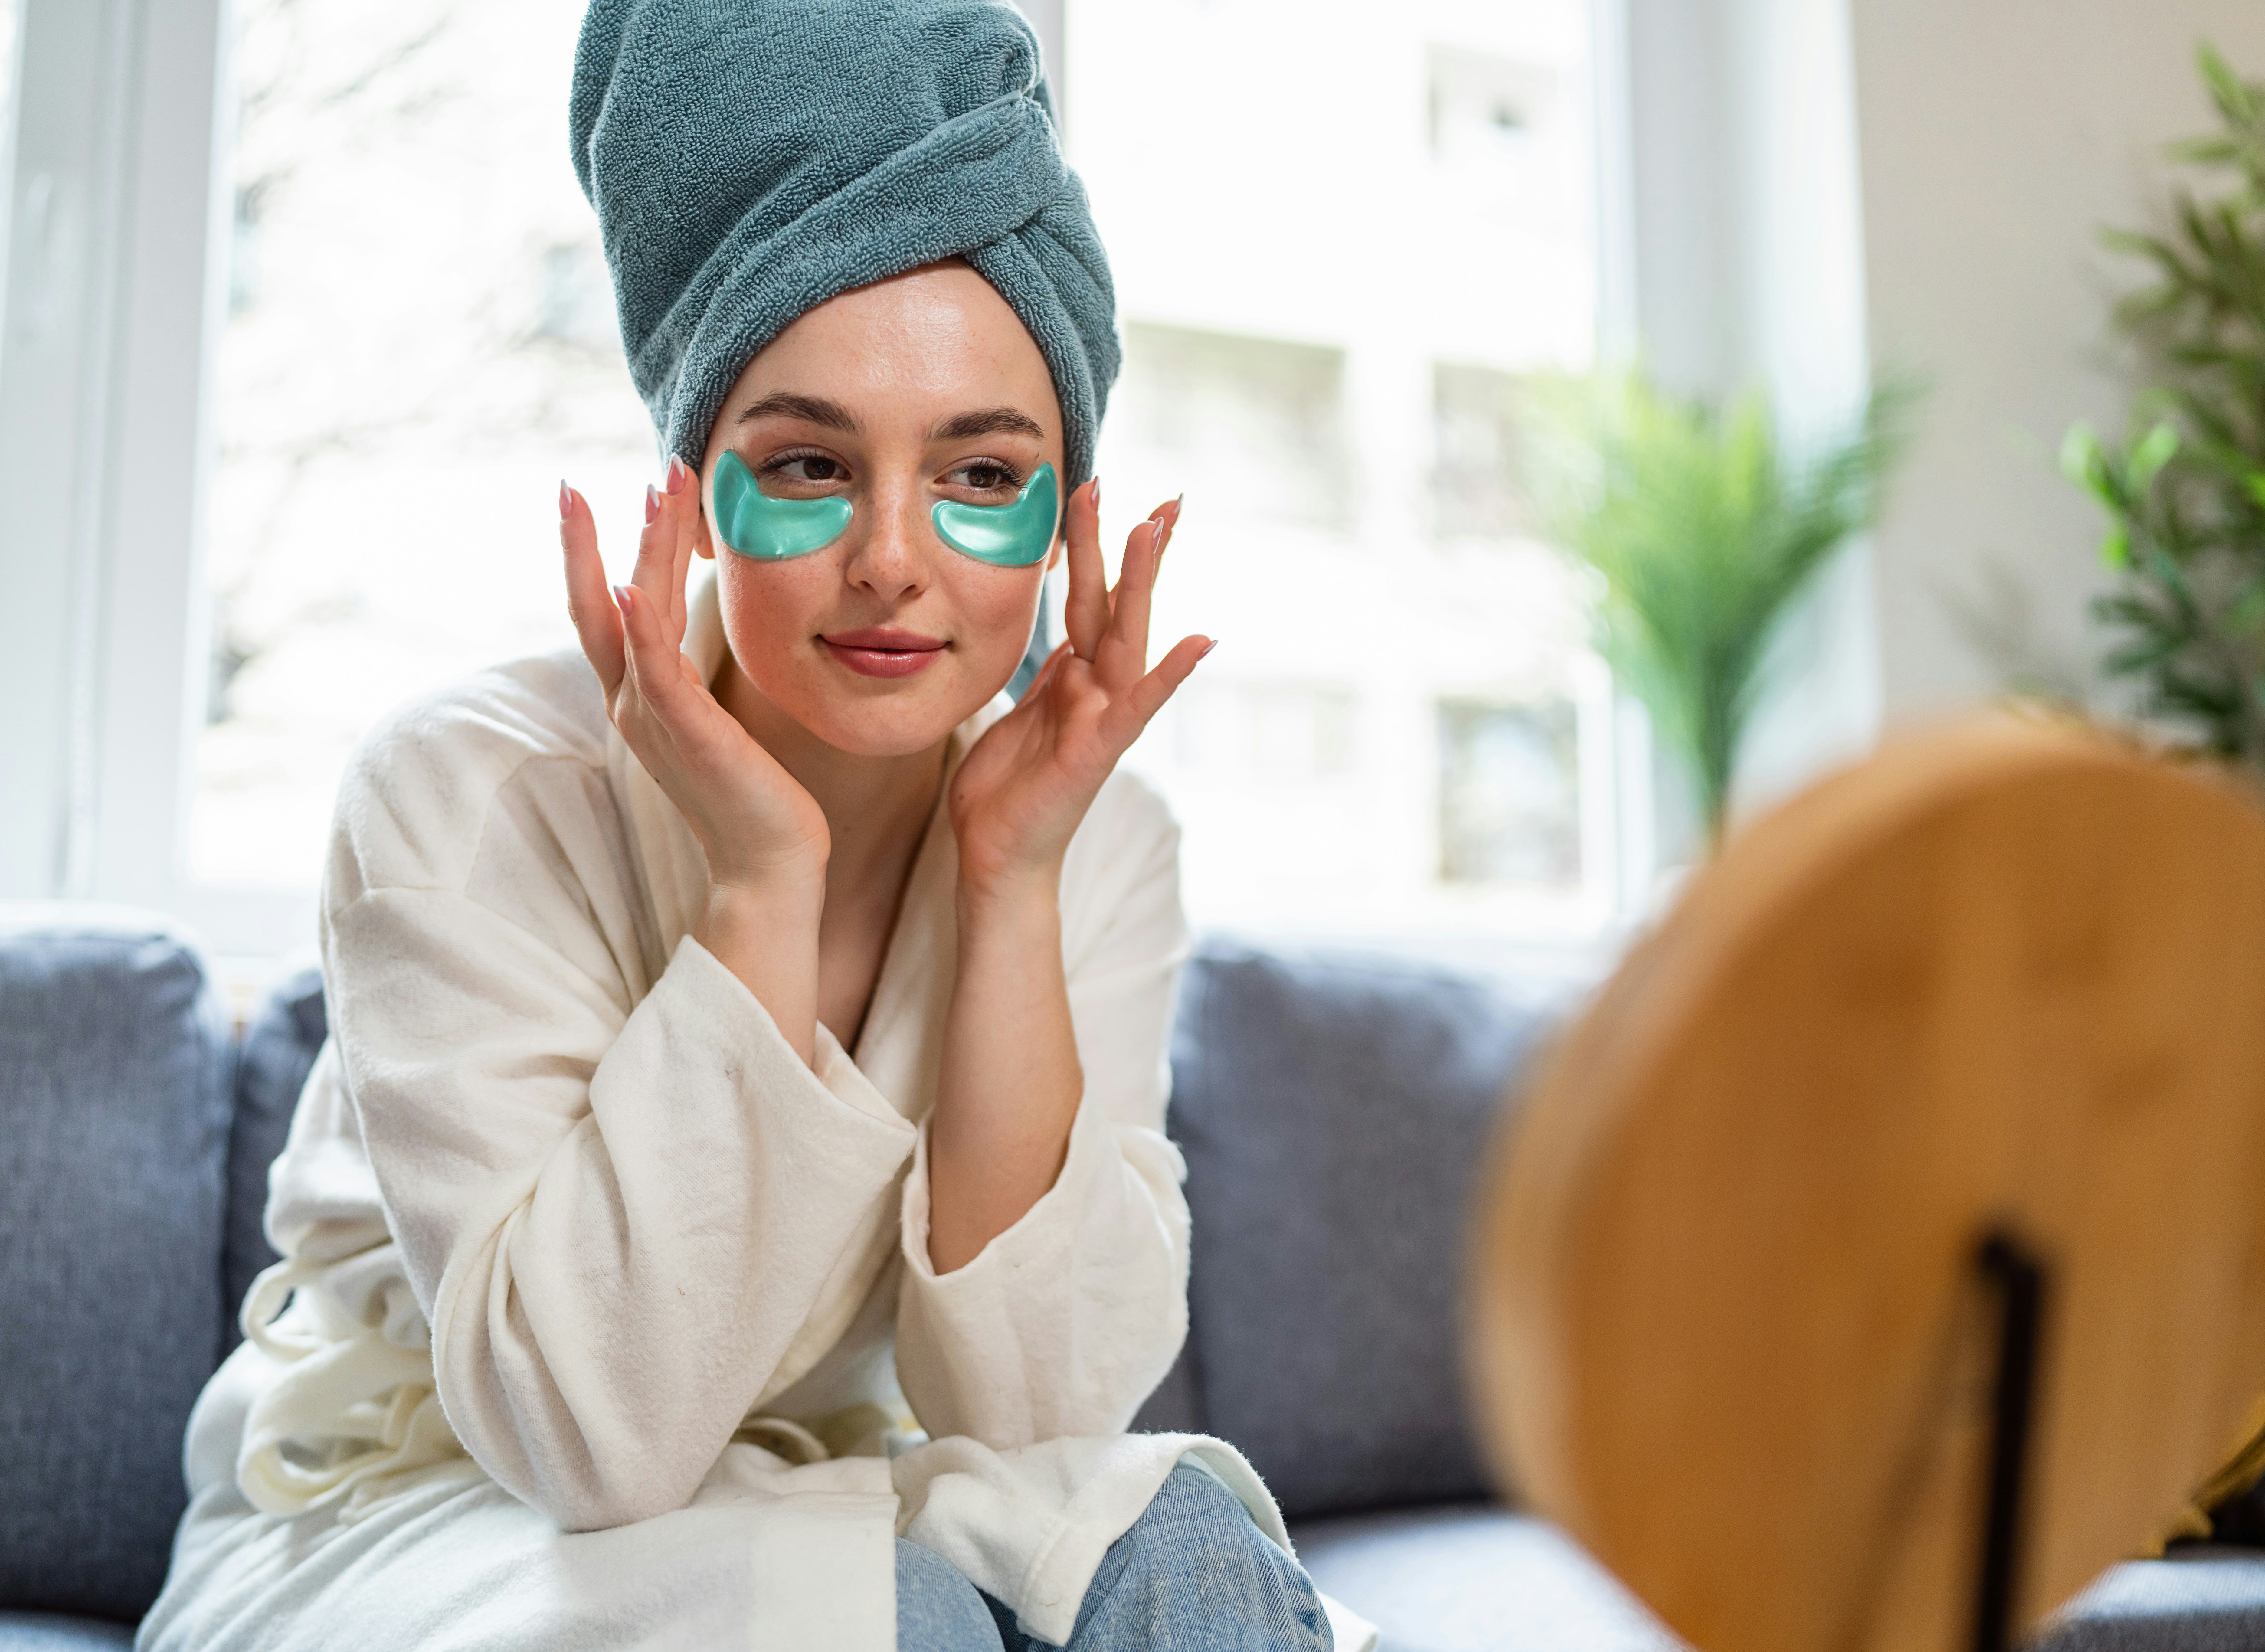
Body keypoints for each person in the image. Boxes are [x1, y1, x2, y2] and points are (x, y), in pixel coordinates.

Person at [138, 1, 1357, 1648]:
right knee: (893, 1616)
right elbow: (589, 1439)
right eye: (808, 463)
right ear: (692, 481)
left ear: (1068, 521)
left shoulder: (1097, 836)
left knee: (1181, 1553)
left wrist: (1008, 880)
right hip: (408, 1516)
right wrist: (761, 883)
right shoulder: (465, 792)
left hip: (815, 1500)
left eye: (981, 476)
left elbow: (1046, 1418)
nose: (892, 560)